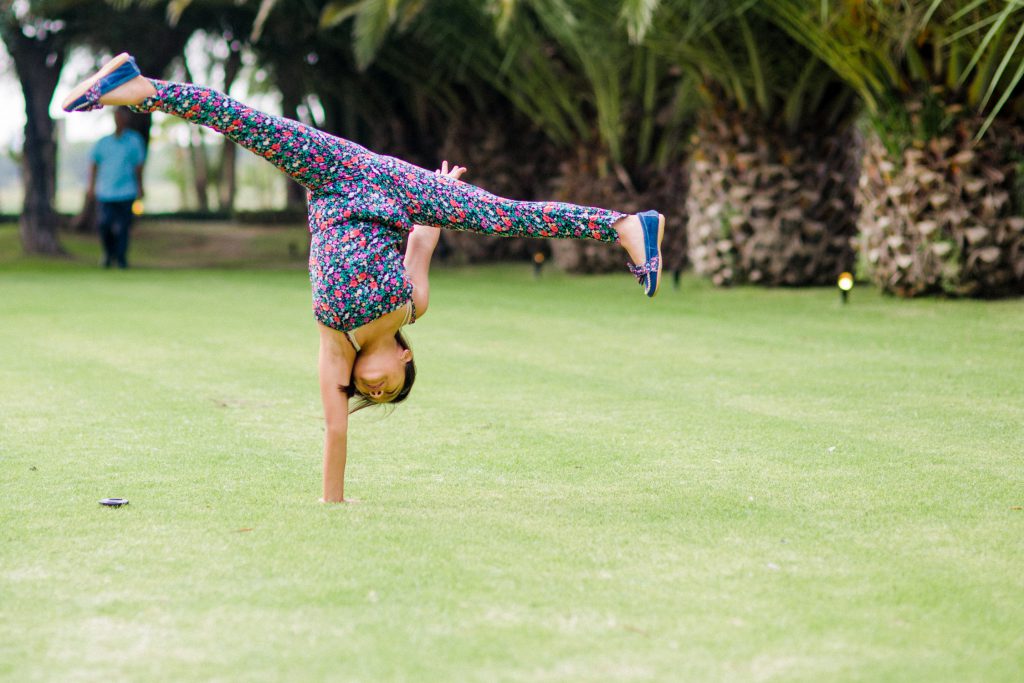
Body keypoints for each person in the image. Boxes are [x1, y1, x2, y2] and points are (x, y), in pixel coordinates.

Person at [62, 53, 665, 503]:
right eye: (387, 390)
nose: (372, 391)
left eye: (370, 397)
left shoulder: (334, 348)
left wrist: (332, 502)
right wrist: (441, 194)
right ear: (404, 361)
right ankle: (140, 88)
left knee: (245, 125)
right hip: (376, 177)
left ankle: (626, 228)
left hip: (328, 185)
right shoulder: (413, 307)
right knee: (503, 214)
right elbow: (423, 242)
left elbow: (333, 430)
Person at [87, 107, 146, 268]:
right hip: (106, 192)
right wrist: (91, 187)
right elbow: (94, 164)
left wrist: (140, 188)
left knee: (123, 228)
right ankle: (108, 253)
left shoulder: (134, 141)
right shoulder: (104, 142)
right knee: (104, 224)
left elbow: (138, 167)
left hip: (127, 191)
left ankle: (121, 259)